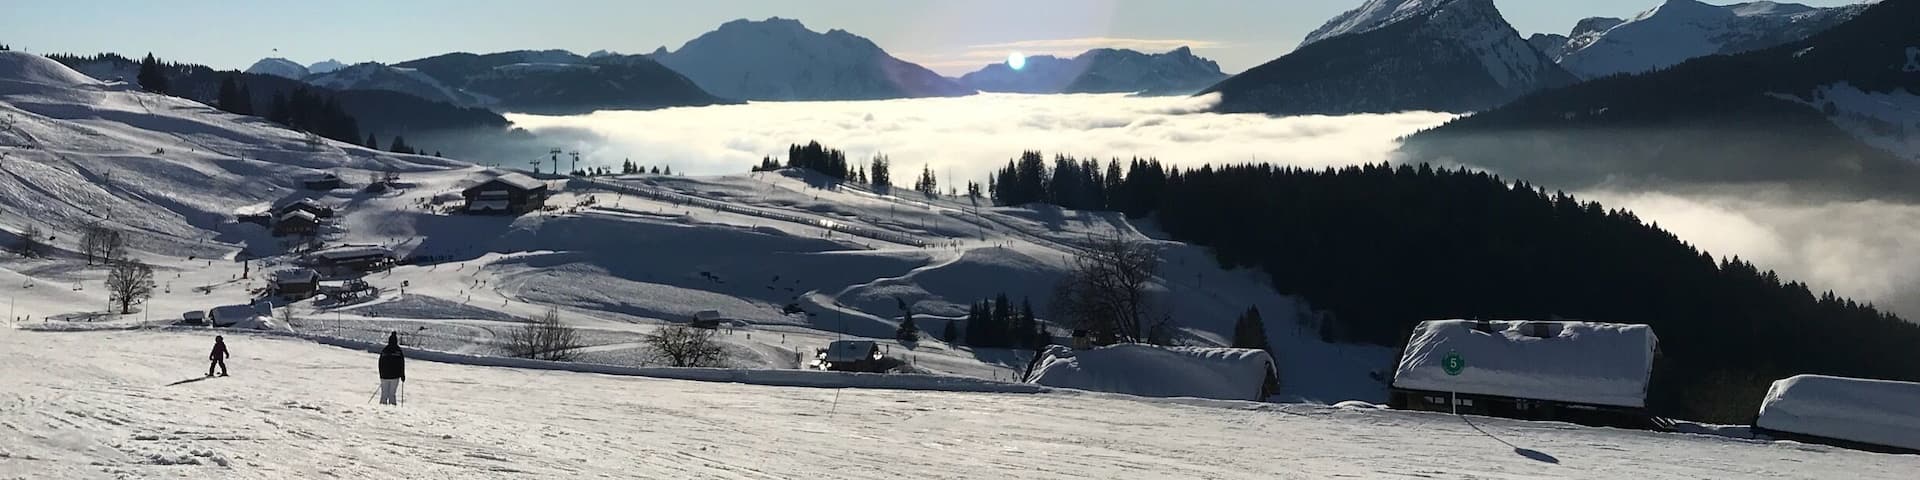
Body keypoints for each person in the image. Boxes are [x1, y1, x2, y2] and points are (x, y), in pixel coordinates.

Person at [377, 332, 406, 405]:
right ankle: (392, 411)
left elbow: (380, 363)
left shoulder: (385, 350)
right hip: (395, 376)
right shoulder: (398, 350)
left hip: (384, 376)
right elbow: (401, 364)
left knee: (384, 394)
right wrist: (402, 375)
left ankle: (382, 410)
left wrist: (381, 374)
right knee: (392, 394)